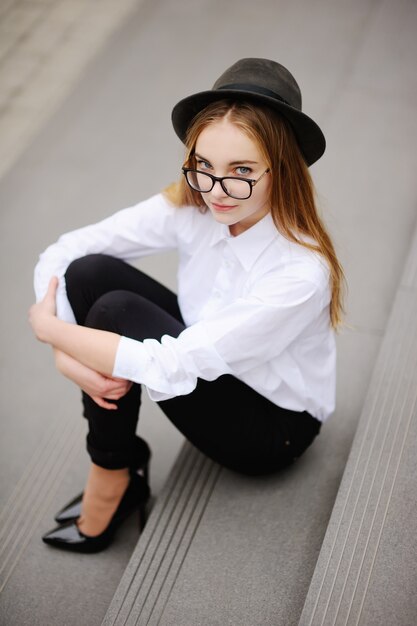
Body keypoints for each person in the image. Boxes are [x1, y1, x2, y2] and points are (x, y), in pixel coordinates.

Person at [29, 58, 344, 553]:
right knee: (89, 273)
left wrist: (53, 335)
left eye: (241, 171)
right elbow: (66, 252)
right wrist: (71, 352)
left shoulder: (299, 272)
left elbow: (168, 363)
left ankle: (111, 472)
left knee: (113, 313)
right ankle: (123, 466)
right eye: (204, 165)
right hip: (204, 350)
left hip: (269, 427)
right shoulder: (194, 203)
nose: (217, 190)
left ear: (281, 169)